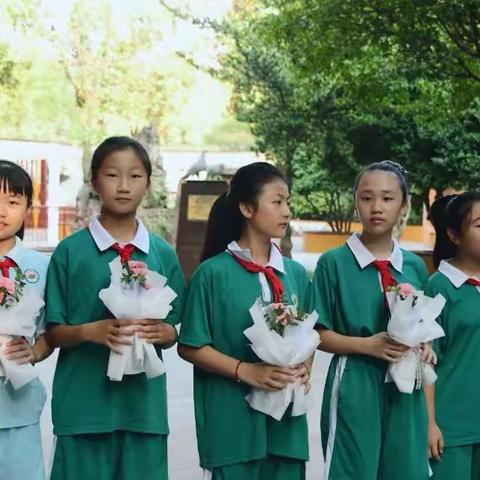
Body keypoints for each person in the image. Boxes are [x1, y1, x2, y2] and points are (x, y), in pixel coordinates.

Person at [45, 136, 185, 480]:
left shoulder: (163, 254)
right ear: (94, 181)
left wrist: (167, 334)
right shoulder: (70, 252)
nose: (124, 186)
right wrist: (89, 331)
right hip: (83, 410)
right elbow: (53, 330)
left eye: (135, 176)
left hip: (144, 411)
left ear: (148, 185)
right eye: (112, 175)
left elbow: (175, 327)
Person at [178, 162, 312, 480]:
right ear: (246, 208)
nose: (286, 211)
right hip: (231, 427)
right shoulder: (211, 274)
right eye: (277, 202)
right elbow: (191, 346)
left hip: (287, 428)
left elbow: (308, 334)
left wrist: (305, 367)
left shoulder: (294, 274)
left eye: (287, 202)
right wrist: (245, 370)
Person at [311, 161, 434, 480]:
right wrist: (368, 345)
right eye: (366, 198)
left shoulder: (414, 266)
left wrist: (425, 347)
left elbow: (423, 326)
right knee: (353, 472)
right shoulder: (333, 263)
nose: (376, 207)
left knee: (406, 470)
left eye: (388, 198)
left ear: (404, 206)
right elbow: (317, 333)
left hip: (407, 387)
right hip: (355, 381)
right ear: (356, 203)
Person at [0, 160, 52, 480]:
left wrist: (34, 352)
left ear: (28, 209)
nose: (2, 211)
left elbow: (51, 333)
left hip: (17, 406)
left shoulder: (40, 267)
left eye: (13, 202)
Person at [426, 192, 480, 479]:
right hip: (452, 430)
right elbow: (426, 362)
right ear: (454, 235)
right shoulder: (439, 287)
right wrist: (429, 423)